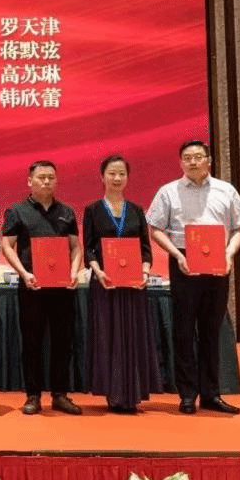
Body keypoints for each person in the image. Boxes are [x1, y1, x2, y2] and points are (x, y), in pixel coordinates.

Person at [146, 140, 240, 415]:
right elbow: (155, 228)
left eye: (198, 156)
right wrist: (176, 255)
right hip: (184, 261)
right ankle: (187, 394)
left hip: (217, 260)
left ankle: (211, 394)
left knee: (211, 329)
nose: (192, 161)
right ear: (180, 162)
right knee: (183, 330)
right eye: (187, 157)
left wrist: (228, 254)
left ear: (209, 160)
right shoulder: (169, 191)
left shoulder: (226, 190)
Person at [1, 160, 83, 415]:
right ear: (30, 181)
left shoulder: (67, 212)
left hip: (62, 288)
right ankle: (33, 395)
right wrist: (24, 273)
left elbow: (75, 247)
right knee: (32, 342)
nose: (46, 181)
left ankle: (60, 394)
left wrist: (74, 271)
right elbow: (7, 245)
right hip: (32, 286)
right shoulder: (17, 211)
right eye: (41, 177)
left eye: (51, 177)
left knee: (63, 341)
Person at [82, 155, 160, 414]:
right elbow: (89, 249)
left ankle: (132, 393)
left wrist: (145, 272)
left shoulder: (136, 210)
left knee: (132, 336)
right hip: (105, 283)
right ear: (102, 176)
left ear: (127, 177)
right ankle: (113, 393)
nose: (117, 178)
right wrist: (98, 272)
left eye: (121, 174)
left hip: (133, 284)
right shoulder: (93, 210)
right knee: (108, 337)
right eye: (112, 173)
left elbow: (145, 248)